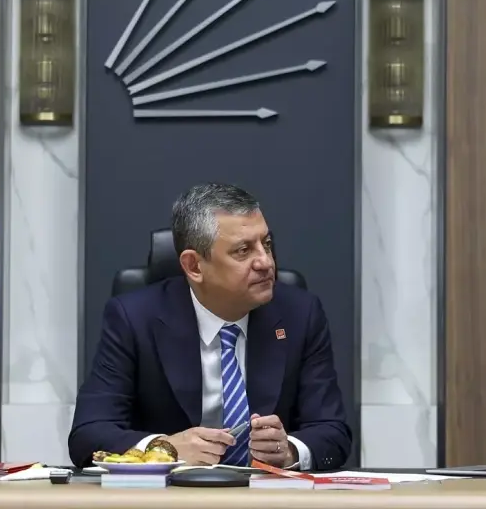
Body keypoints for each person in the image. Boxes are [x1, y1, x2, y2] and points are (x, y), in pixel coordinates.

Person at [68, 183, 351, 471]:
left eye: (266, 244)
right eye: (243, 250)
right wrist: (165, 448)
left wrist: (289, 450)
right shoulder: (134, 318)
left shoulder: (299, 314)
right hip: (170, 493)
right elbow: (88, 435)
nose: (266, 262)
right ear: (194, 266)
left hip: (265, 492)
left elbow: (333, 433)